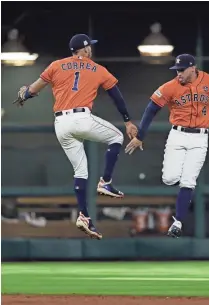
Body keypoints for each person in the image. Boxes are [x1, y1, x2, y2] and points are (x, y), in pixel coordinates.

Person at [13, 34, 138, 240]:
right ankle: (105, 181)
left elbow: (33, 90)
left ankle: (84, 216)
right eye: (90, 48)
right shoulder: (97, 69)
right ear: (86, 49)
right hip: (81, 117)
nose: (91, 51)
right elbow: (116, 96)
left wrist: (23, 95)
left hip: (60, 124)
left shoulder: (56, 65)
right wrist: (127, 120)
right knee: (116, 137)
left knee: (81, 170)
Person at [125, 54, 209, 238]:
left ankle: (177, 223)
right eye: (177, 70)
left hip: (200, 138)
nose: (179, 74)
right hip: (177, 135)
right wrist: (141, 136)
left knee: (188, 182)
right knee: (169, 178)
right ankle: (179, 194)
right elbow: (151, 108)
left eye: (182, 70)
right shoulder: (170, 87)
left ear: (193, 68)